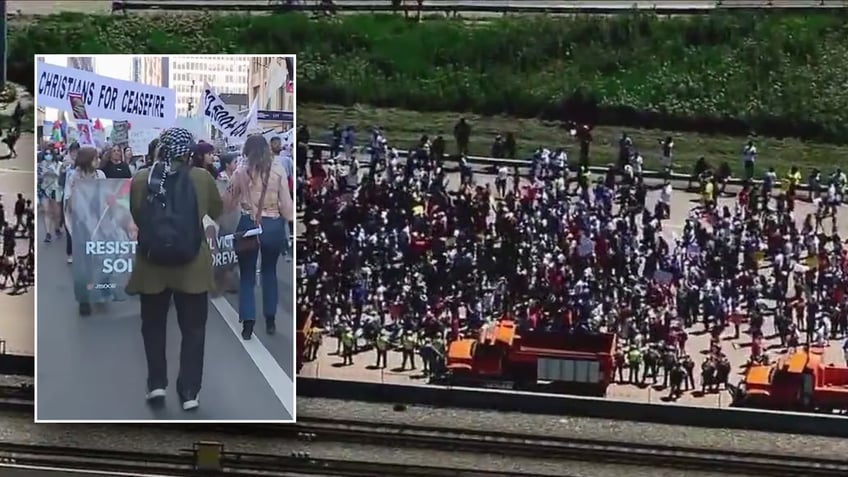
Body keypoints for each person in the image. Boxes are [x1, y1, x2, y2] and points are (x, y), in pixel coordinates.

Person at [125, 127, 223, 411]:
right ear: (189, 152)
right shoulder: (202, 179)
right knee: (194, 330)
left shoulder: (142, 179)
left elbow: (137, 214)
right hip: (192, 267)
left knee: (153, 327)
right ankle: (189, 390)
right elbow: (215, 211)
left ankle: (157, 383)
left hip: (151, 266)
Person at [223, 135, 294, 340]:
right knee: (269, 272)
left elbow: (227, 203)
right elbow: (287, 206)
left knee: (246, 275)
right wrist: (289, 225)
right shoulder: (278, 170)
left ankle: (248, 321)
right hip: (272, 225)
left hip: (248, 224)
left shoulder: (240, 172)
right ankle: (270, 319)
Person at [65, 146, 106, 315]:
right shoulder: (73, 176)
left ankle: (102, 290)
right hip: (81, 224)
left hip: (99, 223)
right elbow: (69, 202)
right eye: (96, 158)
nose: (98, 161)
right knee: (84, 265)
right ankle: (84, 299)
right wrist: (76, 192)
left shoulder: (101, 176)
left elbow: (107, 195)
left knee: (101, 260)